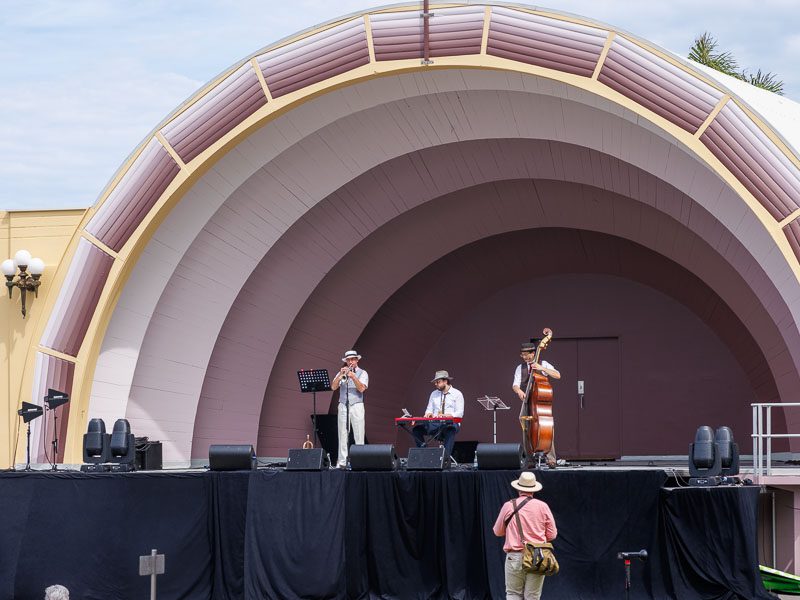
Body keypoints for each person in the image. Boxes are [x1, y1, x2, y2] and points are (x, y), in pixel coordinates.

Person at [493, 471, 557, 600]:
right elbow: (552, 535)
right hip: (537, 556)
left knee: (513, 594)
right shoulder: (543, 506)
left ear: (518, 489)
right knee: (532, 596)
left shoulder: (508, 506)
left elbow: (497, 531)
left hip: (514, 556)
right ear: (534, 490)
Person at [512, 342, 561, 468]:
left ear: (533, 353)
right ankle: (529, 459)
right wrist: (519, 391)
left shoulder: (543, 363)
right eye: (522, 355)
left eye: (526, 355)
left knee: (547, 429)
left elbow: (558, 375)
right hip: (527, 402)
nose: (524, 357)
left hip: (540, 404)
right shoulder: (520, 367)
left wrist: (542, 368)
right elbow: (515, 384)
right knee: (525, 430)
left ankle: (551, 459)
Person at [412, 370, 464, 460]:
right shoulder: (433, 394)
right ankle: (423, 457)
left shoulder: (457, 394)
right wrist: (428, 414)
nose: (435, 384)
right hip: (435, 423)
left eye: (438, 382)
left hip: (450, 423)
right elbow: (428, 410)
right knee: (417, 429)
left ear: (445, 381)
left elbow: (460, 413)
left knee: (450, 429)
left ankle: (445, 459)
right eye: (435, 382)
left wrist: (449, 415)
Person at [331, 349, 368, 468]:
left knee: (359, 433)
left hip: (357, 405)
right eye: (348, 360)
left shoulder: (363, 373)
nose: (350, 361)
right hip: (343, 405)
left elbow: (362, 389)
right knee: (342, 433)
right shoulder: (341, 372)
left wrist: (353, 376)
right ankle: (342, 462)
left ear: (357, 360)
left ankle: (360, 461)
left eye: (353, 359)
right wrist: (341, 375)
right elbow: (333, 387)